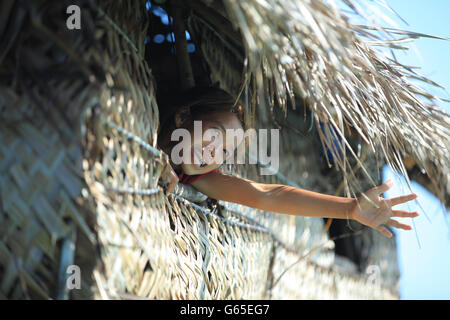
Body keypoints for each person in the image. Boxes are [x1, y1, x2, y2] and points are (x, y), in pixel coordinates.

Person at [157, 86, 419, 238]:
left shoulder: (200, 178)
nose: (213, 152)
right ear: (183, 117)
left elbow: (267, 196)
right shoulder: (143, 118)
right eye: (215, 134)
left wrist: (350, 208)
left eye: (225, 152)